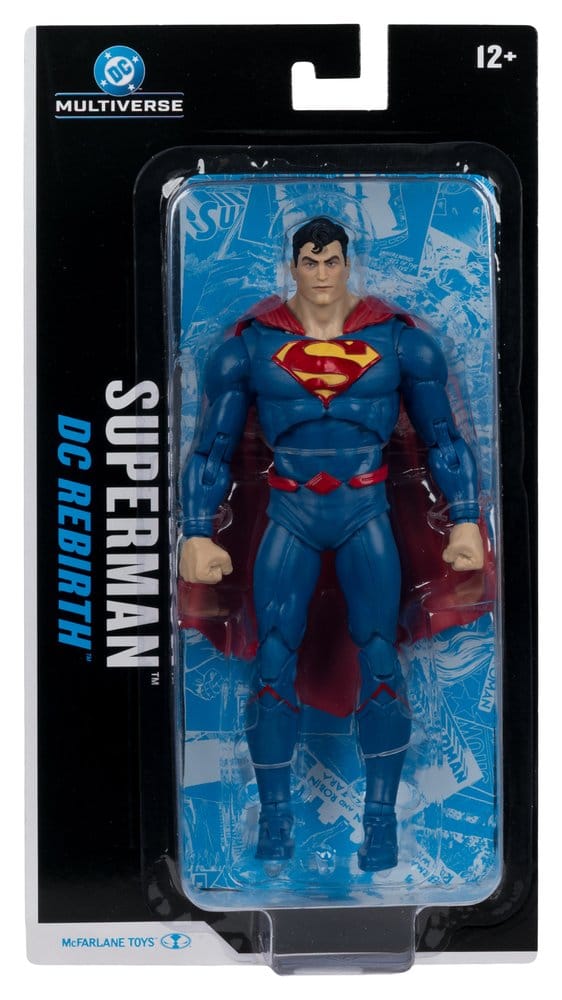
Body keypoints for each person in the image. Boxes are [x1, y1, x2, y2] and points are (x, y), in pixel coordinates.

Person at [180, 217, 483, 871]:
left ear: (349, 264)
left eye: (332, 261)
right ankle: (276, 822)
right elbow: (211, 449)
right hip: (289, 513)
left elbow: (445, 440)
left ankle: (380, 823)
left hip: (365, 512)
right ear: (293, 266)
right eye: (310, 262)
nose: (321, 274)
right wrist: (197, 532)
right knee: (272, 662)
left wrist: (463, 518)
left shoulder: (400, 344)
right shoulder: (249, 349)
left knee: (380, 661)